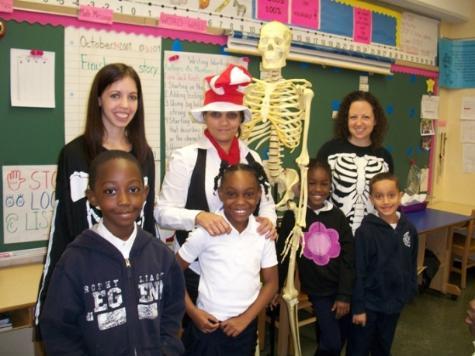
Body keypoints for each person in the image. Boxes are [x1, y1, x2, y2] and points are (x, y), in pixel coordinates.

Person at [35, 63, 156, 328]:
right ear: (99, 99)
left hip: (133, 283)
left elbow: (148, 226)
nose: (125, 104)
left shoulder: (144, 156)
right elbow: (63, 228)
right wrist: (47, 301)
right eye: (115, 95)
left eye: (132, 97)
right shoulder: (74, 155)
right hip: (87, 284)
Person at [40, 150, 184, 355]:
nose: (124, 200)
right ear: (92, 197)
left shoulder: (161, 256)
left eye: (133, 189)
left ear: (145, 193)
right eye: (110, 191)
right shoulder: (75, 261)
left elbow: (172, 315)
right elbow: (59, 332)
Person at [155, 64, 277, 303]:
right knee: (200, 336)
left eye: (231, 115)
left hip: (242, 270)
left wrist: (269, 221)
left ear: (241, 118)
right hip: (195, 270)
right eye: (216, 114)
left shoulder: (253, 158)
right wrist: (198, 217)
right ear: (205, 118)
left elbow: (267, 204)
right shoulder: (185, 158)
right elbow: (161, 213)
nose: (224, 122)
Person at [176, 162, 278, 355]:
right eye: (231, 194)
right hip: (208, 328)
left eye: (249, 194)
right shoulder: (207, 231)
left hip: (244, 327)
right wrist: (193, 312)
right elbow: (171, 272)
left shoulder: (263, 233)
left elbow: (271, 283)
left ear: (258, 196)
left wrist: (245, 319)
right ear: (220, 194)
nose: (240, 201)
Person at [277, 159, 354, 356]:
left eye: (324, 183)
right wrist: (276, 287)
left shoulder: (338, 217)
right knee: (333, 342)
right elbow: (283, 255)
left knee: (336, 338)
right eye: (311, 183)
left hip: (342, 289)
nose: (318, 189)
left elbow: (348, 258)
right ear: (302, 185)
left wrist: (344, 294)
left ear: (330, 186)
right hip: (318, 291)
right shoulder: (293, 217)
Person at [348, 172, 418, 356]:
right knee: (359, 349)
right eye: (379, 196)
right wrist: (358, 308)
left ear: (400, 195)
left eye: (391, 195)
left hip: (393, 305)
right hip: (369, 306)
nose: (386, 201)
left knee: (383, 348)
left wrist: (408, 292)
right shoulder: (365, 232)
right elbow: (359, 272)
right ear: (371, 199)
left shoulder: (408, 229)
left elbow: (411, 262)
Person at [316, 90, 394, 233]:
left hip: (373, 237)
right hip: (334, 236)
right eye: (353, 117)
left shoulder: (384, 157)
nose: (359, 123)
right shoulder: (329, 151)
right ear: (346, 120)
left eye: (365, 117)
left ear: (375, 120)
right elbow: (315, 191)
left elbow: (389, 199)